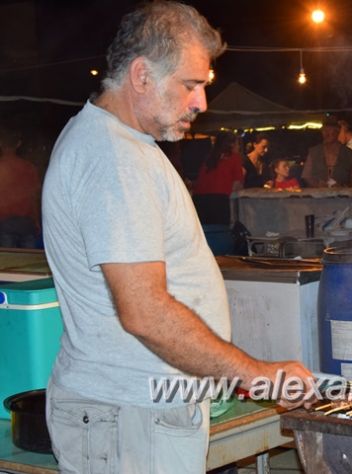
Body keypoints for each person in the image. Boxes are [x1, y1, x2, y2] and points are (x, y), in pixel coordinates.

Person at [41, 3, 313, 472]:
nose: (202, 103)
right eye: (191, 85)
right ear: (142, 75)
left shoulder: (115, 143)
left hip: (135, 411)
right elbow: (144, 311)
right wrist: (258, 374)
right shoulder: (115, 158)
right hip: (132, 416)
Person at [0, 127, 40, 248]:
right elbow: (34, 197)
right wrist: (36, 221)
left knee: (7, 263)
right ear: (18, 144)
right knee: (28, 264)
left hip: (4, 223)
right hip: (26, 223)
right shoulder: (29, 168)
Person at [192, 131, 244, 225]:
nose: (239, 147)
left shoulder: (209, 158)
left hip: (199, 200)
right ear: (231, 144)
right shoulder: (234, 157)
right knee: (220, 232)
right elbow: (237, 184)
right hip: (219, 200)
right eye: (237, 144)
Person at [301, 116, 352, 187]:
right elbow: (306, 176)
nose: (326, 133)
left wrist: (342, 186)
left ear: (337, 132)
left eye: (329, 130)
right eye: (324, 130)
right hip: (317, 196)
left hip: (342, 197)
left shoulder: (348, 154)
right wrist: (317, 184)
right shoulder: (314, 152)